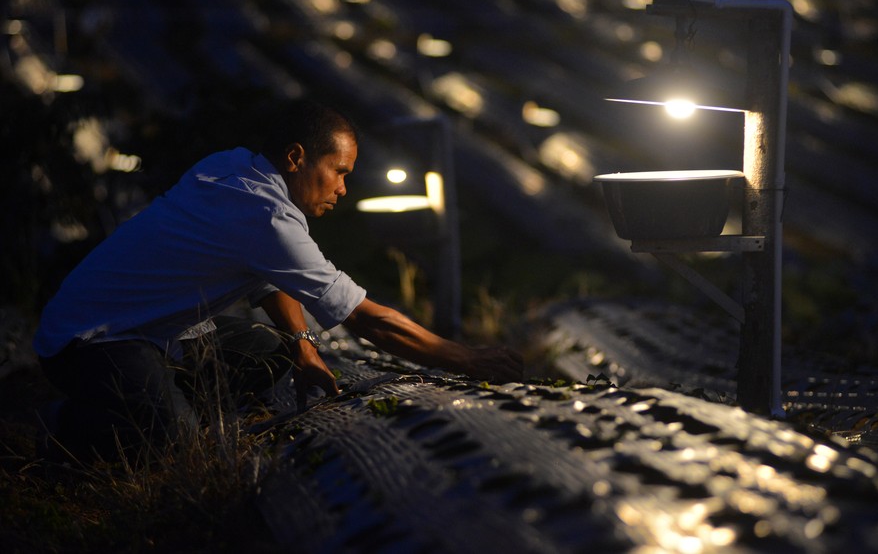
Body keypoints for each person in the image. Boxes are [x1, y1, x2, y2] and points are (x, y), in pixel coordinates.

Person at [33, 99, 523, 459]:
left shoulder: (232, 166)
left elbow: (269, 279)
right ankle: (67, 426)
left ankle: (159, 397)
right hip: (91, 340)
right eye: (339, 171)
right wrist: (466, 358)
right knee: (174, 443)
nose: (343, 188)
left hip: (138, 327)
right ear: (296, 158)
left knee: (272, 351)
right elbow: (366, 320)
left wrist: (305, 343)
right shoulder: (268, 219)